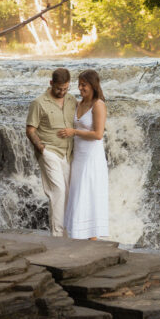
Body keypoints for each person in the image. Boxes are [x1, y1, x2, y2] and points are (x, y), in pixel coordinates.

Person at [25, 68, 78, 237]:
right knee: (58, 191)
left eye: (65, 88)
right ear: (51, 83)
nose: (62, 92)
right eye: (58, 89)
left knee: (68, 193)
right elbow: (30, 130)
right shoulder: (39, 103)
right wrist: (41, 148)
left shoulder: (71, 100)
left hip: (68, 153)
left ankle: (67, 234)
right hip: (50, 152)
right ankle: (57, 237)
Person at [58, 69, 109, 240]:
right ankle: (78, 237)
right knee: (78, 194)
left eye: (84, 85)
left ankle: (92, 240)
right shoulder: (79, 104)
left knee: (88, 194)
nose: (80, 88)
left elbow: (98, 134)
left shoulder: (98, 105)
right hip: (78, 156)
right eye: (79, 85)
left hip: (91, 158)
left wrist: (74, 132)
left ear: (93, 86)